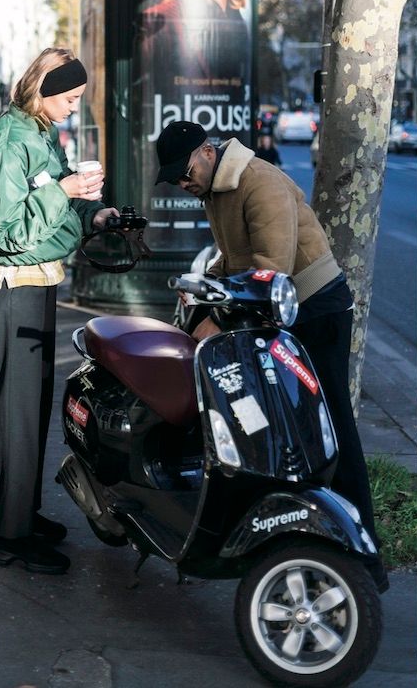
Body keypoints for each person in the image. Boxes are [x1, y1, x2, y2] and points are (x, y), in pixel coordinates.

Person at [154, 120, 388, 593]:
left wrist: (214, 322)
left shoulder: (259, 180)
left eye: (184, 172)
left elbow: (270, 269)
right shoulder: (217, 188)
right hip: (281, 309)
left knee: (331, 429)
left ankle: (367, 562)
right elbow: (235, 257)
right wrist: (203, 289)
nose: (183, 183)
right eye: (175, 179)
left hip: (316, 310)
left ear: (205, 152)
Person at [0, 48, 119, 575]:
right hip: (10, 286)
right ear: (44, 91)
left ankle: (22, 517)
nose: (73, 107)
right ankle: (11, 537)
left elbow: (46, 210)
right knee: (16, 412)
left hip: (28, 284)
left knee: (29, 407)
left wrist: (95, 215)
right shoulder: (15, 138)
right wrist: (68, 190)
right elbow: (9, 232)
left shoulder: (36, 134)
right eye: (68, 97)